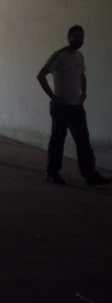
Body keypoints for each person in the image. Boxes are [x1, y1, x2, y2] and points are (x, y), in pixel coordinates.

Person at [36, 25, 110, 186]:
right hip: (61, 107)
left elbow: (82, 74)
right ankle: (52, 172)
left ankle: (90, 174)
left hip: (76, 107)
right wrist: (53, 97)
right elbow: (41, 76)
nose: (79, 40)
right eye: (76, 36)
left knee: (83, 141)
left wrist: (84, 93)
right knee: (58, 140)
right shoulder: (59, 55)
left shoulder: (79, 56)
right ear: (69, 37)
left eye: (81, 37)